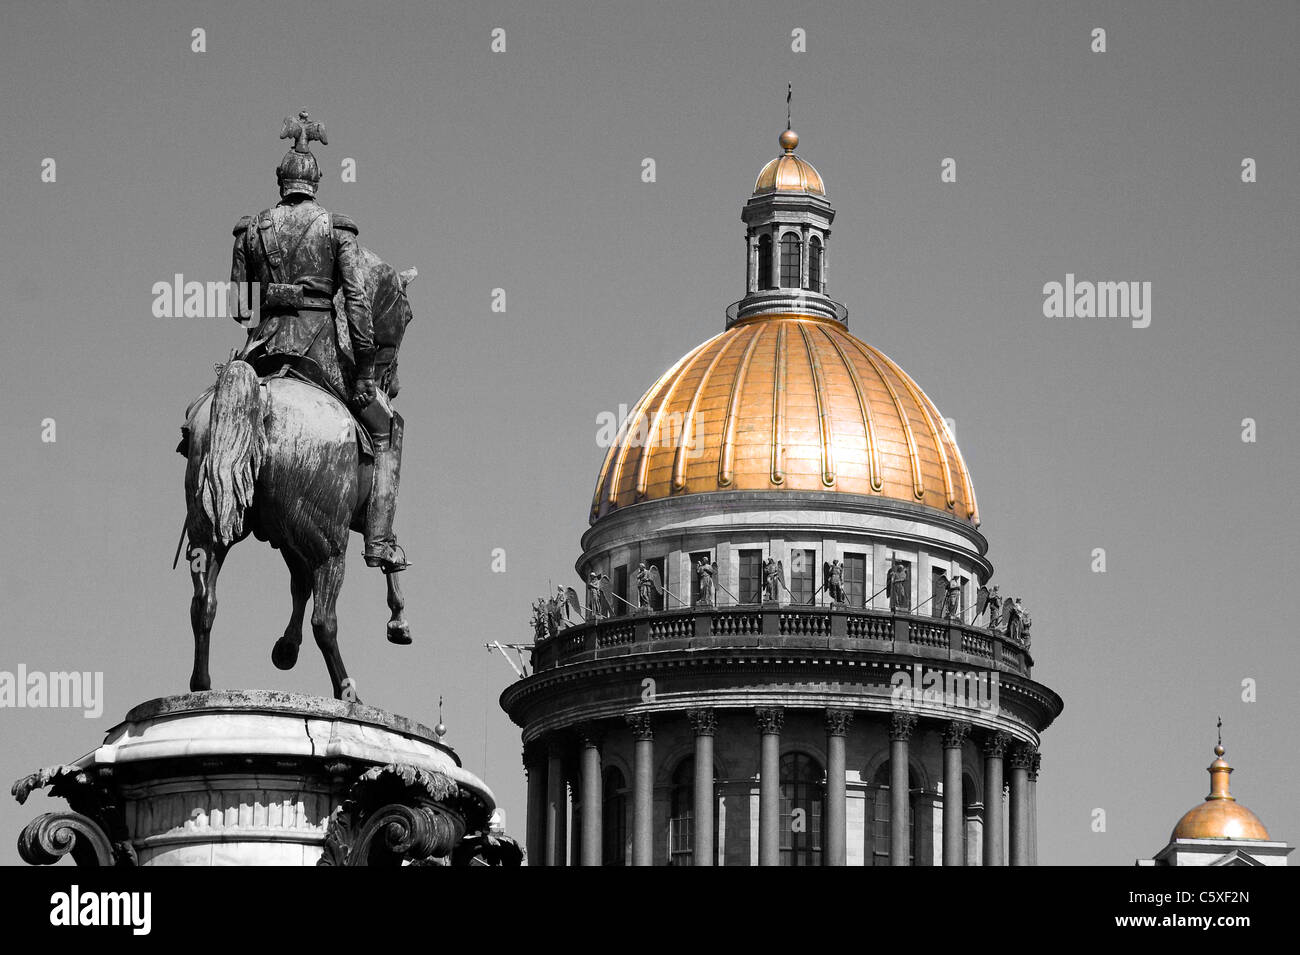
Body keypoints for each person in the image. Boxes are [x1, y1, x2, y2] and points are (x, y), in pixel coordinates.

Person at [230, 110, 405, 572]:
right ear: (317, 181)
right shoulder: (336, 229)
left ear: (280, 181)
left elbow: (240, 309)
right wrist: (366, 371)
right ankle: (380, 542)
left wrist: (275, 295)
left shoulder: (250, 230)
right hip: (317, 354)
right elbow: (358, 303)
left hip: (260, 356)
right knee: (389, 429)